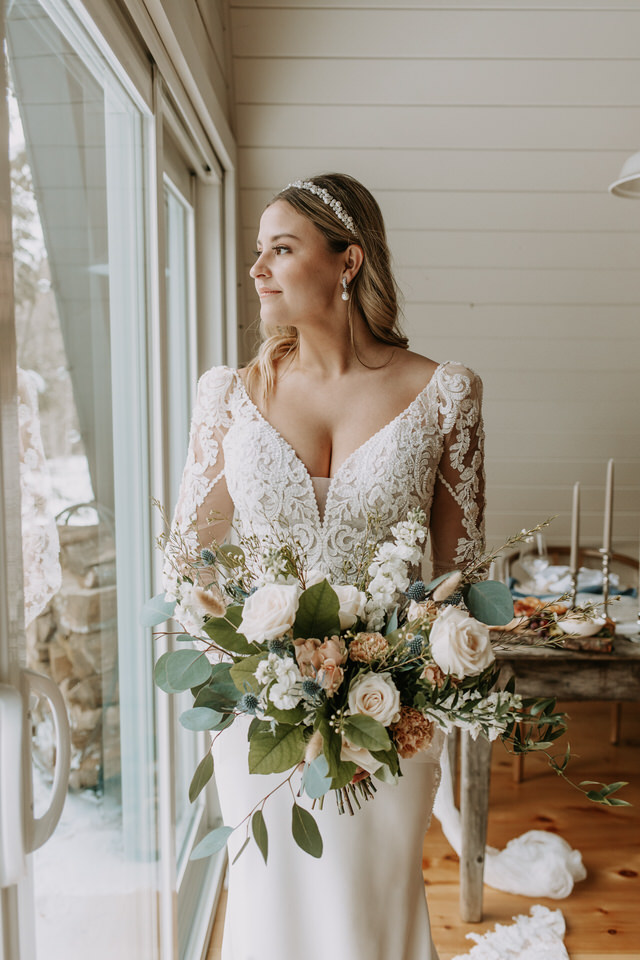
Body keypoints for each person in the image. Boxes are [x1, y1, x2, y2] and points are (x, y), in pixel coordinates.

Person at [168, 173, 485, 960]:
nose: (259, 269)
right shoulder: (229, 397)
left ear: (347, 263)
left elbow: (461, 574)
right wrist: (256, 667)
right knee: (270, 914)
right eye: (257, 252)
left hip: (390, 715)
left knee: (369, 918)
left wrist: (408, 674)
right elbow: (186, 561)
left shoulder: (446, 394)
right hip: (261, 718)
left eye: (282, 248)